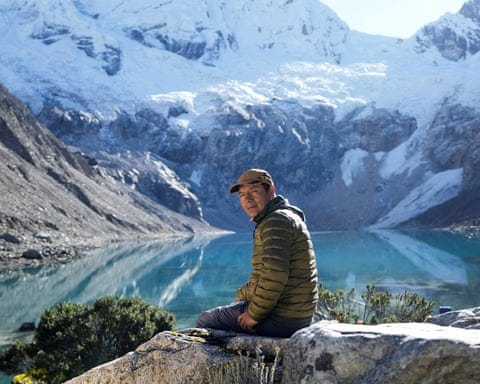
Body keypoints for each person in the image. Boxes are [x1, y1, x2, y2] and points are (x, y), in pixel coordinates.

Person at [196, 168, 318, 338]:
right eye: (242, 195)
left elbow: (274, 276)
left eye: (254, 191)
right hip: (296, 315)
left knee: (206, 320)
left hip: (283, 318)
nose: (247, 199)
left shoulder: (276, 222)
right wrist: (242, 295)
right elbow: (264, 275)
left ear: (271, 190)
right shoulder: (282, 217)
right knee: (230, 312)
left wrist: (254, 314)